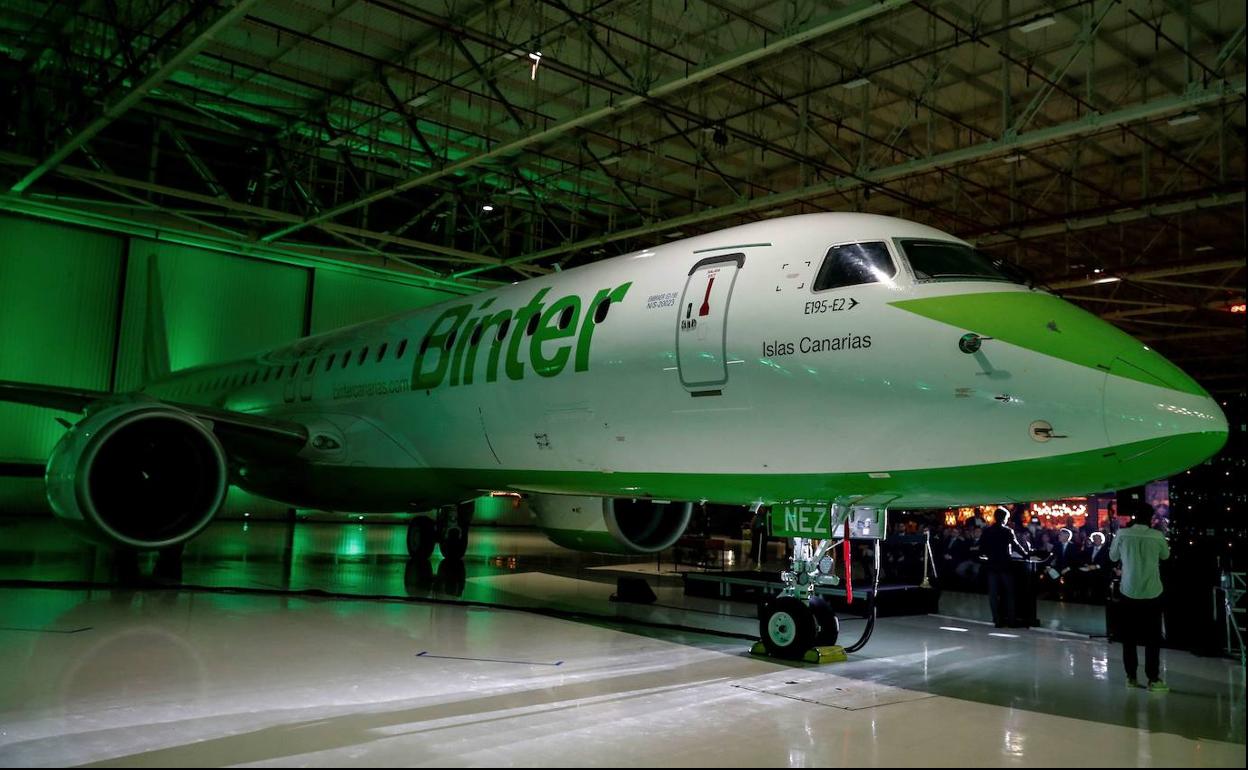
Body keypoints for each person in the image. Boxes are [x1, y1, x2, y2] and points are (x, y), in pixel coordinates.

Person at [1109, 503, 1171, 692]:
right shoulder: (1157, 536)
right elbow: (1165, 556)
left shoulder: (1122, 534)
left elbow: (1113, 557)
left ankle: (1131, 677)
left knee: (1129, 637)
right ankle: (1153, 679)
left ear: (1134, 517)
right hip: (1153, 591)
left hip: (1128, 590)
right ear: (1151, 518)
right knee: (1153, 638)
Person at [980, 506, 1030, 627]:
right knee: (1009, 593)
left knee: (993, 594)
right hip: (1005, 565)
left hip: (992, 565)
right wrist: (1026, 555)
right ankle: (1011, 620)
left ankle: (997, 620)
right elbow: (1016, 546)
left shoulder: (987, 531)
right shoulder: (1007, 531)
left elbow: (982, 548)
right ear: (1004, 518)